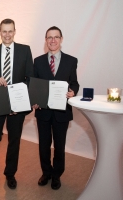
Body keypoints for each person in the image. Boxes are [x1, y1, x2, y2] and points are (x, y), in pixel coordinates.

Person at [0, 19, 33, 191]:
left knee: (14, 140)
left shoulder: (25, 50)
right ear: (0, 32)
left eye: (10, 31)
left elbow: (29, 78)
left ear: (15, 31)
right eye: (4, 31)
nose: (7, 34)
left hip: (17, 103)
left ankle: (10, 174)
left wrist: (18, 100)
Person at [32, 26, 79, 190]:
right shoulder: (37, 61)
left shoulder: (71, 61)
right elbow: (34, 85)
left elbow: (74, 82)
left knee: (59, 146)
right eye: (49, 37)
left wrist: (73, 91)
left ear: (61, 39)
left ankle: (57, 175)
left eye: (56, 37)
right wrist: (35, 100)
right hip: (43, 112)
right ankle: (46, 173)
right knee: (44, 145)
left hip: (62, 113)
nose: (53, 40)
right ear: (46, 40)